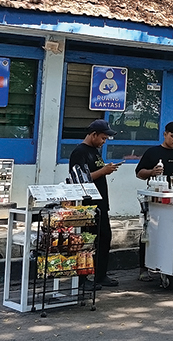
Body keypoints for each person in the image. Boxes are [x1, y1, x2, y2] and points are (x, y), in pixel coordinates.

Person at [68, 119, 122, 288]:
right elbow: (80, 179)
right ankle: (82, 279)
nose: (104, 142)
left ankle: (100, 274)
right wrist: (104, 171)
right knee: (85, 241)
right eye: (103, 138)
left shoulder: (95, 151)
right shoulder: (79, 152)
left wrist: (105, 168)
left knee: (104, 238)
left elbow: (94, 172)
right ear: (93, 135)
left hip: (101, 203)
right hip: (87, 205)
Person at [135, 121, 173, 280]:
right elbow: (139, 173)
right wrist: (152, 171)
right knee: (148, 232)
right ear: (165, 134)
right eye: (172, 136)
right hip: (154, 198)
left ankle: (171, 264)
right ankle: (143, 268)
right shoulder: (153, 152)